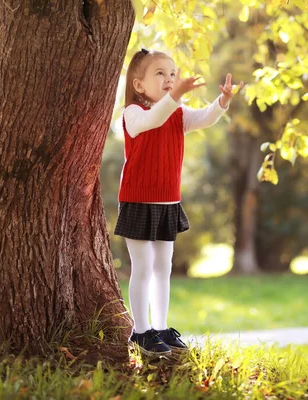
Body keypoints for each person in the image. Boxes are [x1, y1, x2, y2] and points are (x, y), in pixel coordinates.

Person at [114, 48, 244, 357]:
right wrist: (176, 97)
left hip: (168, 202)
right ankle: (140, 332)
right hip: (138, 200)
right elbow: (153, 120)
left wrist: (222, 101)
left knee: (163, 268)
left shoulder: (179, 113)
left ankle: (160, 328)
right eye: (160, 74)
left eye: (173, 74)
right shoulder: (133, 115)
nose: (170, 79)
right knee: (143, 267)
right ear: (139, 85)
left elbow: (205, 118)